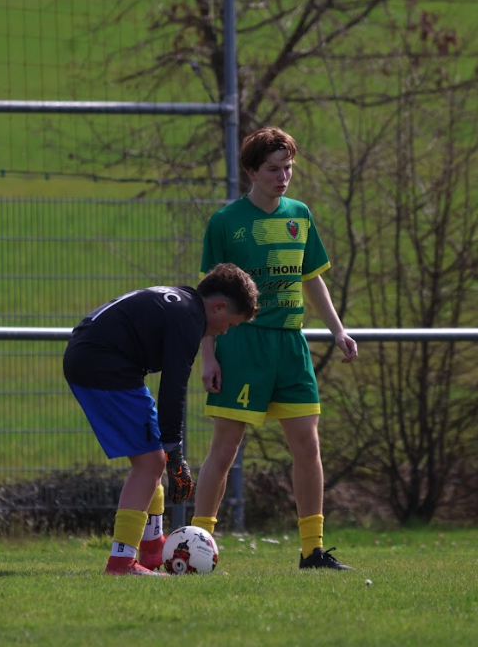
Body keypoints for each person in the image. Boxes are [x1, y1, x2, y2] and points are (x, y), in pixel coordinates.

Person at [190, 127, 358, 570]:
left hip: (290, 345)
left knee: (308, 446)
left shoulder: (299, 214)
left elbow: (312, 279)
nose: (282, 177)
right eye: (272, 169)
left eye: (288, 168)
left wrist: (338, 331)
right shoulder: (225, 222)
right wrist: (209, 355)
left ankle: (312, 551)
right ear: (251, 171)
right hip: (243, 345)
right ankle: (196, 544)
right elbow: (209, 299)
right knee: (224, 450)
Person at [63, 263, 259, 576]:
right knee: (151, 464)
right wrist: (176, 455)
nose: (225, 331)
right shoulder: (189, 320)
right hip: (102, 365)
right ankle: (121, 562)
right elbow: (173, 389)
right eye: (230, 324)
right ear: (219, 307)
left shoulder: (184, 302)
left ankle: (153, 548)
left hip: (98, 360)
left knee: (153, 457)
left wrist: (171, 450)